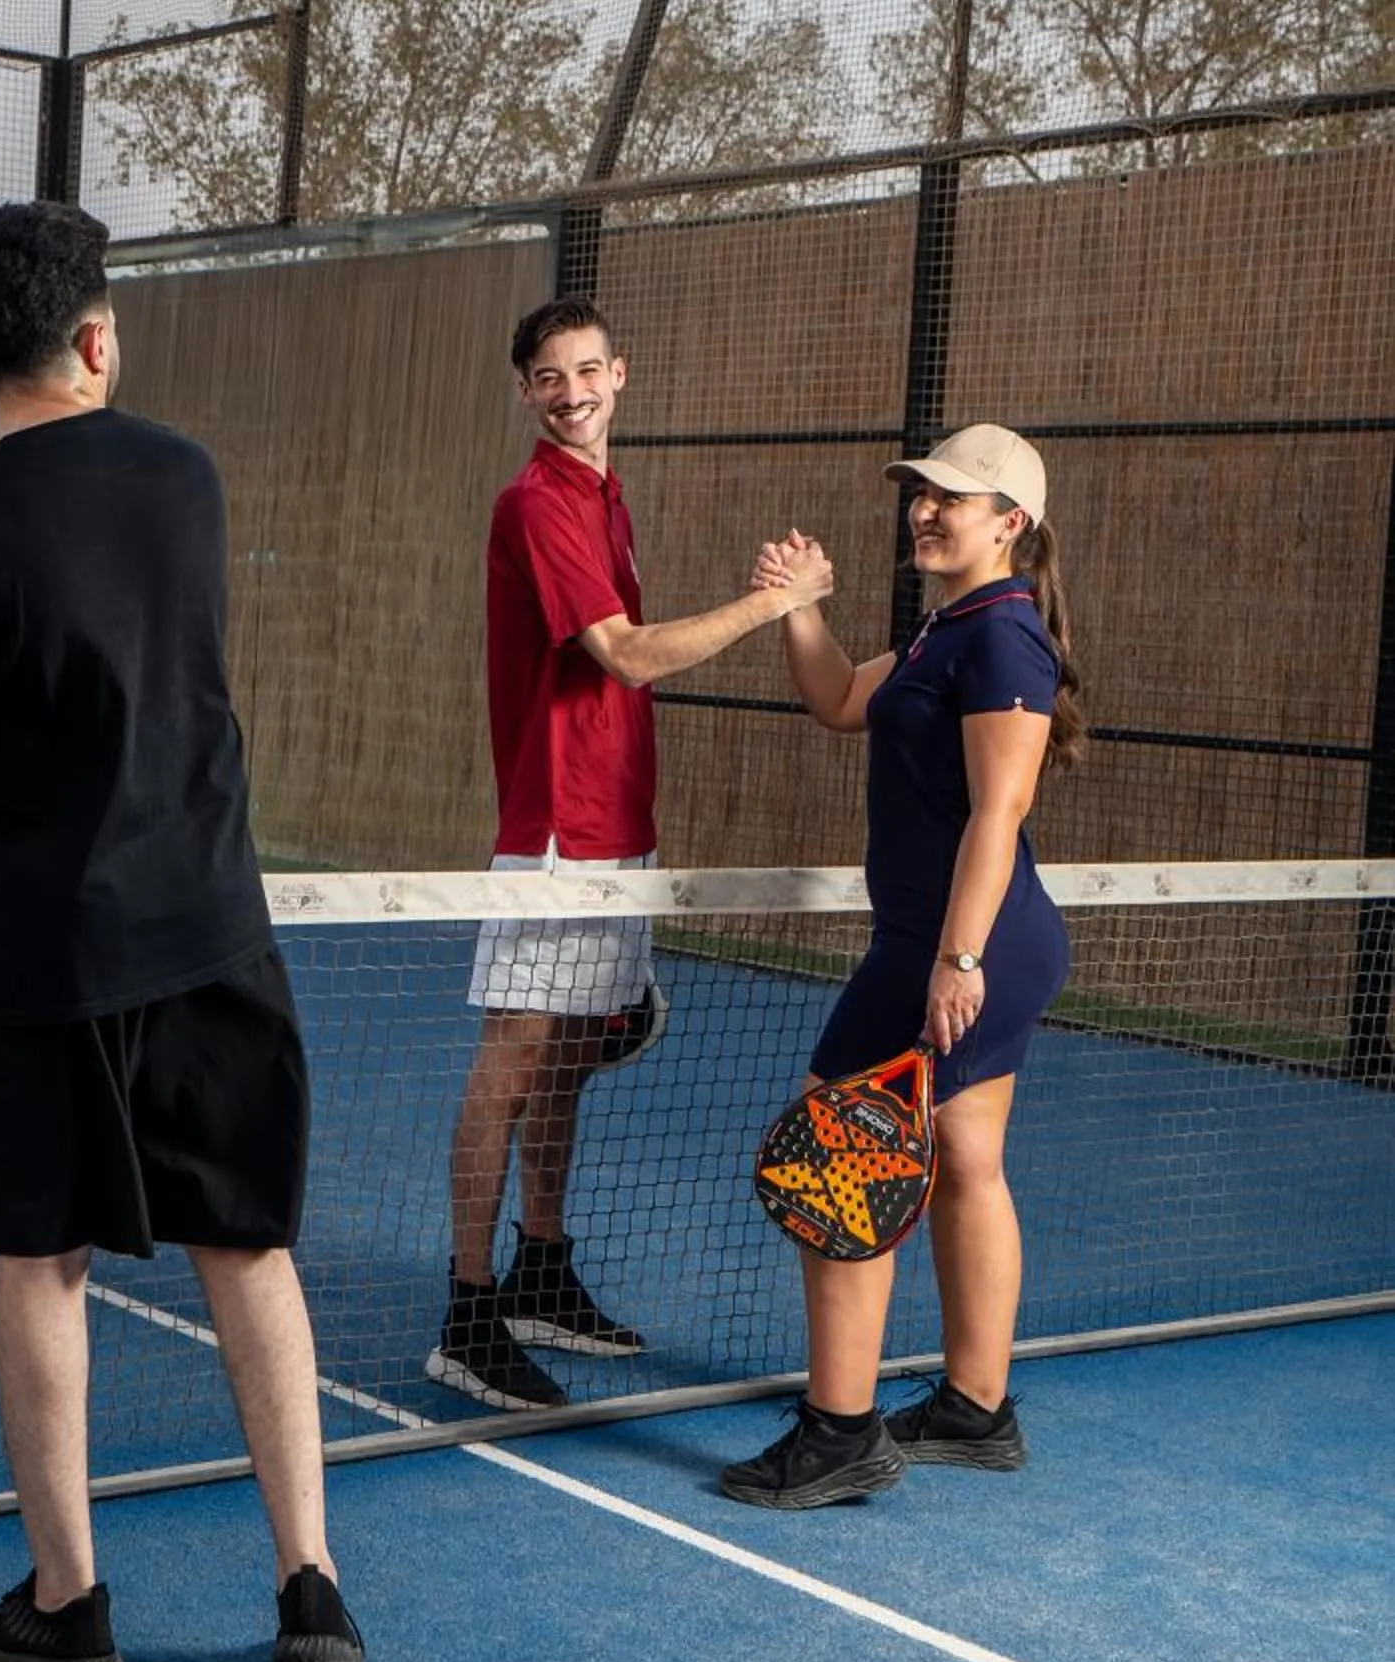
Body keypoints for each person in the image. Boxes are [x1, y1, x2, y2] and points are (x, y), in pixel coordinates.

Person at [0, 199, 363, 1662]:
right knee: (246, 1251)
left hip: (37, 963)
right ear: (96, 337)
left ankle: (69, 1606)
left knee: (41, 1264)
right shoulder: (185, 478)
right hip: (211, 932)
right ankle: (310, 1584)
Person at [430, 296, 834, 1412]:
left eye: (587, 371)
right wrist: (772, 604)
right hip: (558, 833)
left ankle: (539, 1271)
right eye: (548, 377)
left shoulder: (605, 497)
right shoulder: (536, 503)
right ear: (526, 391)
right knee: (513, 1064)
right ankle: (468, 1311)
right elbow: (629, 658)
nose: (570, 394)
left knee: (565, 1061)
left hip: (620, 829)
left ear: (620, 375)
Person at [720, 424, 1084, 1509]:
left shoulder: (1003, 640)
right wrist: (798, 605)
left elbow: (998, 812)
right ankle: (975, 1409)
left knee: (838, 1154)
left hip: (962, 945)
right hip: (953, 941)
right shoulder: (947, 628)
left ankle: (840, 1434)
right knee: (965, 1160)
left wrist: (957, 958)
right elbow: (841, 699)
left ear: (1009, 524)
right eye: (921, 493)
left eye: (951, 498)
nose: (925, 509)